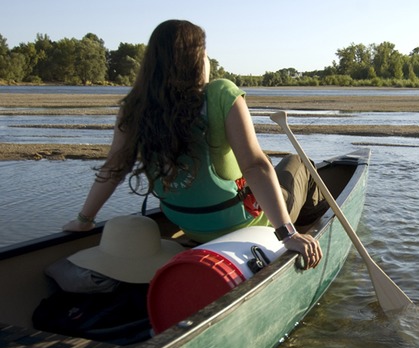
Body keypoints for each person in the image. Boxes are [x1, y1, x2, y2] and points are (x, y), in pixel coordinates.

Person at [63, 20, 326, 269]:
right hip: (246, 224)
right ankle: (311, 226)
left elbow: (114, 169)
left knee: (274, 170)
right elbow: (254, 166)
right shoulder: (221, 93)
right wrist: (287, 233)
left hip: (190, 225)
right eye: (205, 53)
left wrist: (84, 221)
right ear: (195, 61)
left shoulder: (135, 107)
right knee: (298, 162)